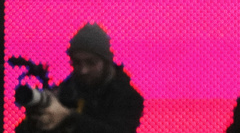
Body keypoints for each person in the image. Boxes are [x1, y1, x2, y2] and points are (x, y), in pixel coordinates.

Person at [15, 23, 144, 133]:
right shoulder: (66, 91)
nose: (83, 70)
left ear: (106, 63)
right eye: (77, 62)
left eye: (91, 63)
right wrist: (35, 119)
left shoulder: (129, 98)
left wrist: (68, 117)